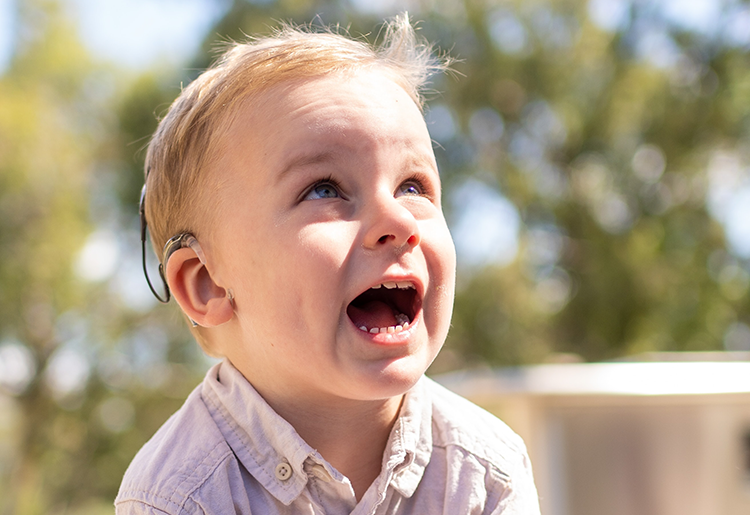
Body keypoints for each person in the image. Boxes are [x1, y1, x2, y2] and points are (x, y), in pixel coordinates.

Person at [116, 13, 540, 515]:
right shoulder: (182, 497)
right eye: (325, 188)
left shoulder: (483, 473)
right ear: (208, 283)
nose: (398, 220)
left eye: (413, 186)